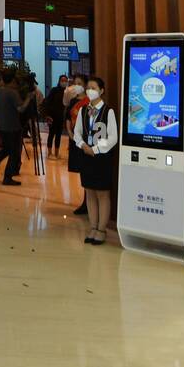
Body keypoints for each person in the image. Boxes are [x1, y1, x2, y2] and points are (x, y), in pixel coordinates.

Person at [74, 76, 119, 245]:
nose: (89, 91)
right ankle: (92, 227)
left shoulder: (108, 111)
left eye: (93, 88)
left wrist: (96, 149)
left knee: (102, 193)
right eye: (88, 88)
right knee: (90, 192)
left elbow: (113, 136)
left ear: (101, 91)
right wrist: (83, 145)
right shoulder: (83, 110)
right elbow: (77, 131)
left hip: (102, 158)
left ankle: (101, 229)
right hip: (86, 156)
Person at [0, 66, 23, 186]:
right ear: (12, 79)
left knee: (7, 149)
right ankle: (7, 177)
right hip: (12, 126)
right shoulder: (13, 93)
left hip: (1, 125)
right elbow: (20, 108)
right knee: (14, 153)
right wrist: (28, 98)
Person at [66, 73, 89, 215]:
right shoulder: (72, 101)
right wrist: (69, 132)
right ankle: (85, 202)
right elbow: (68, 117)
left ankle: (87, 202)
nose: (77, 86)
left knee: (87, 169)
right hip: (74, 139)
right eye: (75, 83)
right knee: (81, 169)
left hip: (85, 141)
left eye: (80, 83)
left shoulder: (89, 102)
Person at [43, 75, 68, 156]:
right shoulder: (54, 90)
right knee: (51, 134)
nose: (63, 82)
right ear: (59, 81)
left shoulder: (67, 92)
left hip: (61, 117)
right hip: (52, 116)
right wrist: (47, 115)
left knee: (58, 135)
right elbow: (47, 102)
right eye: (62, 80)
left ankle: (57, 153)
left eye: (65, 81)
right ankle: (49, 153)